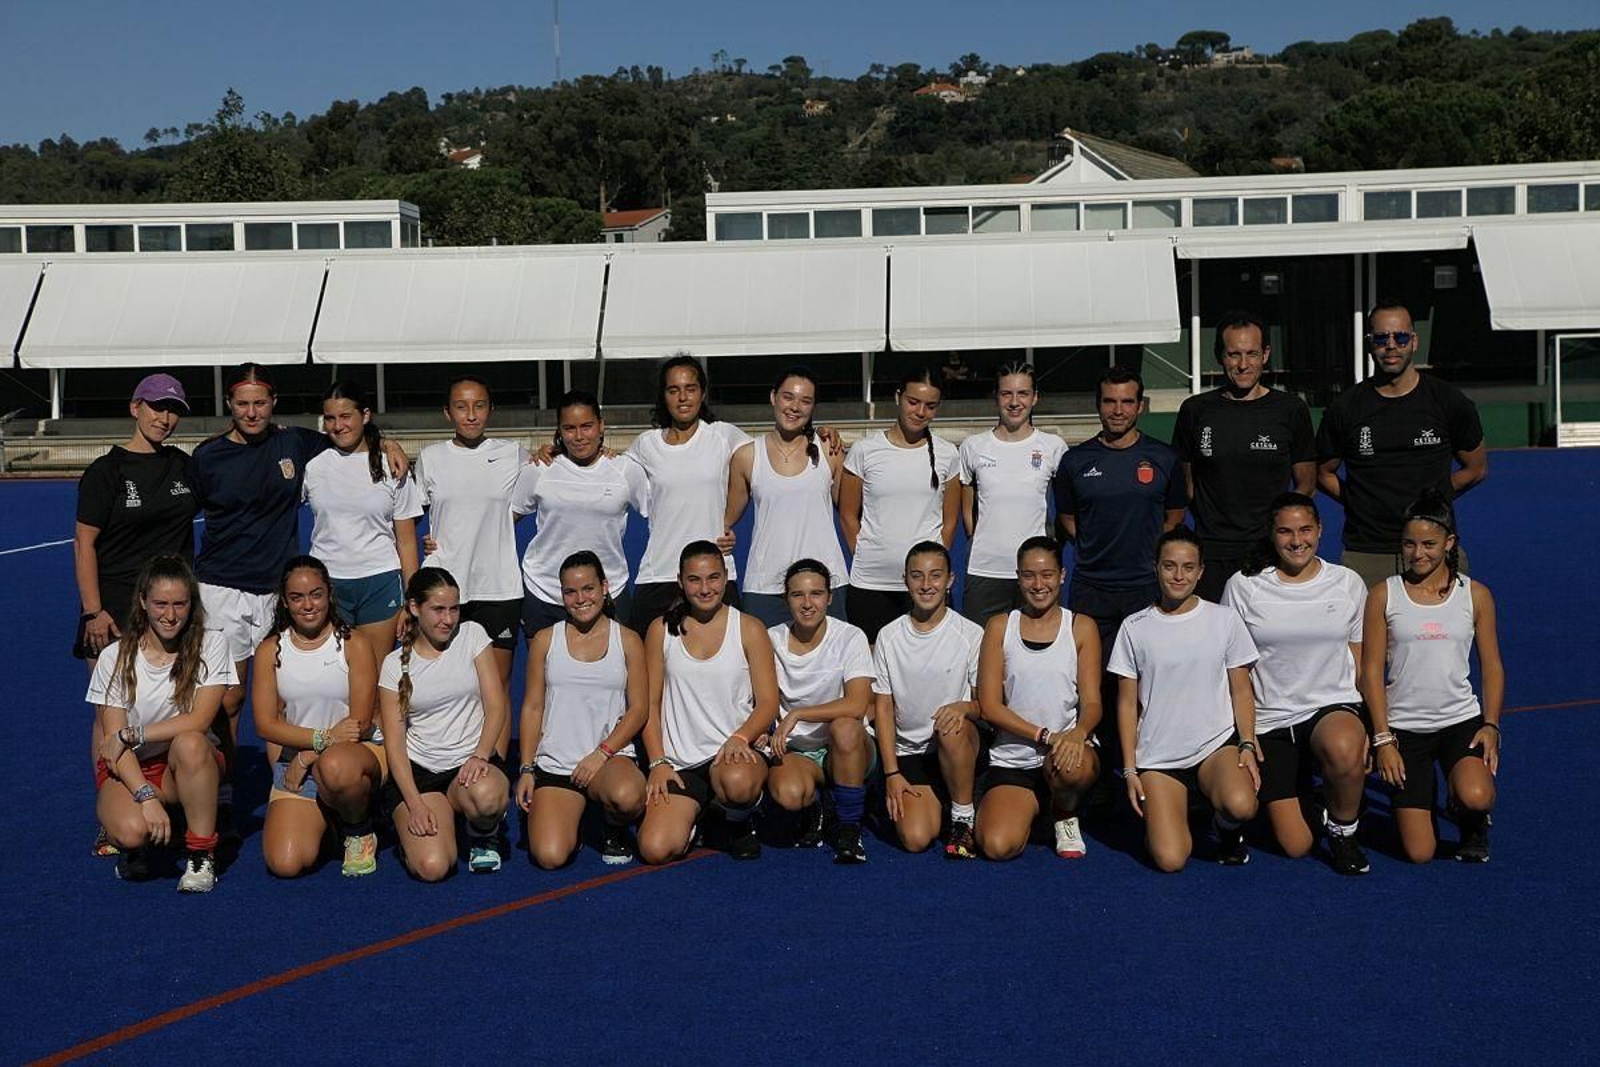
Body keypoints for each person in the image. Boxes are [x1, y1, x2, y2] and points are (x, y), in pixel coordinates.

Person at [190, 363, 404, 828]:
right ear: (230, 404)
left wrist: (386, 441)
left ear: (273, 405)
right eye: (242, 403)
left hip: (276, 590)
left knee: (292, 687)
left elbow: (348, 436)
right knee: (228, 697)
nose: (251, 411)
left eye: (260, 403)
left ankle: (333, 780)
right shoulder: (207, 457)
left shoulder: (296, 443)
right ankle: (227, 785)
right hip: (222, 587)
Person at [74, 373, 197, 857]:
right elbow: (85, 542)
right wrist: (92, 611)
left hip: (172, 612)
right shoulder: (106, 472)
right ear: (134, 408)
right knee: (109, 716)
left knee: (180, 702)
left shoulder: (183, 468)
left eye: (173, 410)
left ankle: (189, 796)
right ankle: (114, 808)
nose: (164, 418)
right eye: (155, 407)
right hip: (114, 613)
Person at [1222, 493, 1371, 875]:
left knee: (1343, 745)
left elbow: (1359, 660)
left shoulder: (1347, 582)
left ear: (1320, 531)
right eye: (1285, 531)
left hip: (1331, 708)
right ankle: (1317, 797)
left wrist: (1367, 729)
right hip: (1272, 719)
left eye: (1305, 529)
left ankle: (1343, 831)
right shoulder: (1244, 585)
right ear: (1272, 535)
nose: (1296, 540)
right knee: (1296, 844)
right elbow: (1231, 666)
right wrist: (1244, 736)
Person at [1055, 365, 1186, 777]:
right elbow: (1068, 519)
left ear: (1141, 406)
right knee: (1097, 689)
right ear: (1098, 405)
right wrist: (1097, 547)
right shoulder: (1075, 461)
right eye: (1109, 401)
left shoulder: (1163, 458)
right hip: (1092, 590)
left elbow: (1174, 517)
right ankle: (1103, 773)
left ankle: (1152, 767)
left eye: (1127, 401)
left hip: (1146, 589)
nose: (1118, 410)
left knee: (1150, 685)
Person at [1361, 492, 1503, 864]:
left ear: (1450, 543)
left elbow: (1492, 666)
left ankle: (1472, 818)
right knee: (1420, 852)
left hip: (1460, 723)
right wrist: (1382, 739)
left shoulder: (1475, 595)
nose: (1418, 553)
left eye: (1429, 544)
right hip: (1405, 729)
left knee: (1477, 794)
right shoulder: (1383, 595)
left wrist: (1491, 725)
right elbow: (1371, 671)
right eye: (1409, 543)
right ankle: (1422, 794)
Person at [1109, 527, 1260, 872]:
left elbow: (1241, 689)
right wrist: (1130, 768)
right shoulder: (1134, 627)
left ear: (1201, 571)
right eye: (1170, 566)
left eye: (1188, 567)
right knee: (1171, 859)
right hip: (1159, 758)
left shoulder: (1224, 619)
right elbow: (1127, 705)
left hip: (1214, 747)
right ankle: (1164, 820)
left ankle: (1225, 828)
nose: (1179, 576)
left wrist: (1248, 743)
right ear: (1156, 568)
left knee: (1241, 805)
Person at [1317, 300, 1488, 589]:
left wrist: (1435, 500)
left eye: (1400, 337)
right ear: (1370, 343)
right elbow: (1323, 472)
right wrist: (1360, 502)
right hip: (1367, 552)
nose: (1391, 345)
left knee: (1441, 634)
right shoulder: (1345, 408)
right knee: (1368, 635)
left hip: (1434, 547)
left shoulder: (1448, 401)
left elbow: (1476, 468)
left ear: (1414, 341)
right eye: (1382, 338)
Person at [89, 554, 231, 892]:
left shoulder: (212, 644)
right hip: (129, 768)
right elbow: (114, 746)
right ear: (142, 602)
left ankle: (200, 853)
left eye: (180, 604)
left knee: (192, 741)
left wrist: (134, 733)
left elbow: (199, 720)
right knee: (131, 831)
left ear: (192, 603)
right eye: (161, 604)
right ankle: (144, 834)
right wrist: (145, 797)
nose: (170, 615)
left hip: (181, 765)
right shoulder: (114, 657)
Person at [637, 541, 780, 864]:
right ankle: (704, 815)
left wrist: (741, 737)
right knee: (655, 849)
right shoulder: (660, 631)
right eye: (695, 580)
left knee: (738, 784)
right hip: (681, 763)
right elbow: (651, 705)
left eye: (713, 578)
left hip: (734, 755)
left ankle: (738, 822)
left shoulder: (748, 628)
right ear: (680, 581)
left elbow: (768, 702)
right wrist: (658, 762)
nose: (705, 589)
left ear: (726, 576)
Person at [251, 556, 384, 878]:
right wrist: (317, 744)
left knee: (336, 767)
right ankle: (328, 820)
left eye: (316, 594)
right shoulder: (270, 650)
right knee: (285, 863)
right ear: (285, 601)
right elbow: (265, 724)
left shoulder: (354, 643)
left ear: (329, 595)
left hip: (353, 756)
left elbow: (360, 723)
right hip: (298, 759)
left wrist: (308, 755)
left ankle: (358, 827)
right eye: (297, 597)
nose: (308, 605)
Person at [515, 551, 649, 869]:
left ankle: (611, 825)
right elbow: (532, 707)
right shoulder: (545, 641)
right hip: (557, 766)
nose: (580, 599)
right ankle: (573, 818)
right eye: (570, 591)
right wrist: (526, 768)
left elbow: (639, 709)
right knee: (549, 856)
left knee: (627, 796)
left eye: (588, 588)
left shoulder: (628, 640)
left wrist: (601, 753)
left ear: (604, 587)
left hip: (608, 760)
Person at [378, 568, 512, 880]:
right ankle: (414, 832)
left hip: (469, 766)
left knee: (489, 796)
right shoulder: (393, 665)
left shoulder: (473, 635)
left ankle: (482, 833)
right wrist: (414, 804)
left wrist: (480, 754)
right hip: (421, 775)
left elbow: (496, 705)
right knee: (433, 868)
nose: (448, 620)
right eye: (438, 609)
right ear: (414, 608)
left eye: (454, 609)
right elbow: (395, 744)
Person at [1172, 311, 1316, 601]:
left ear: (1265, 354)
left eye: (1251, 354)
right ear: (1220, 356)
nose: (1242, 365)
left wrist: (1280, 535)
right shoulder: (1195, 410)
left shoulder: (1290, 410)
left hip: (1269, 553)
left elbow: (1306, 484)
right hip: (1213, 553)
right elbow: (1186, 483)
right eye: (1233, 354)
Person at [974, 537, 1102, 861]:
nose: (1038, 584)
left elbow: (1092, 702)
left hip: (1066, 756)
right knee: (996, 845)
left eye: (1046, 575)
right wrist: (1045, 736)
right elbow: (989, 706)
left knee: (1073, 771)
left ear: (1062, 575)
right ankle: (1033, 808)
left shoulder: (1081, 627)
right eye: (1029, 575)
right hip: (1014, 758)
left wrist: (1077, 734)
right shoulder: (1000, 626)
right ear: (1018, 577)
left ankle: (1063, 812)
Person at [872, 541, 984, 859]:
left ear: (950, 580)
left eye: (935, 576)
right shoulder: (888, 636)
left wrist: (963, 708)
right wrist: (892, 773)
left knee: (951, 727)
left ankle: (962, 816)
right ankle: (941, 801)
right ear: (905, 580)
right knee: (916, 839)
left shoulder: (971, 634)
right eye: (917, 576)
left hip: (959, 745)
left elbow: (984, 706)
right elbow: (883, 705)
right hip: (911, 754)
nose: (926, 585)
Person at [415, 376, 528, 688]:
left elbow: (534, 495)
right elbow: (408, 516)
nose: (471, 414)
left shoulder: (514, 454)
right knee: (446, 682)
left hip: (499, 589)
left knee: (496, 685)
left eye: (479, 406)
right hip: (446, 587)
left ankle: (492, 741)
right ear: (447, 413)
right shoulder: (431, 458)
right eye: (461, 407)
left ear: (491, 409)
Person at [627, 355, 752, 631]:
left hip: (715, 575)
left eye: (690, 389)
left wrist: (727, 521)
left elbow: (768, 462)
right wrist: (554, 452)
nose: (683, 397)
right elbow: (606, 471)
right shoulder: (645, 445)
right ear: (664, 396)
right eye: (674, 390)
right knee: (650, 671)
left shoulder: (723, 436)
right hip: (658, 574)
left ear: (703, 393)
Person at [303, 380, 421, 671]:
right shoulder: (314, 466)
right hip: (327, 585)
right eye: (330, 418)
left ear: (365, 415)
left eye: (346, 416)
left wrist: (412, 599)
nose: (338, 425)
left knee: (376, 677)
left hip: (380, 583)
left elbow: (406, 541)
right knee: (334, 680)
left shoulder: (392, 466)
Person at [512, 390, 650, 638]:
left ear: (601, 426)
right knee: (543, 674)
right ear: (560, 431)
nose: (578, 436)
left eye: (587, 426)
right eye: (569, 428)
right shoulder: (540, 469)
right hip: (544, 592)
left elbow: (660, 517)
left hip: (610, 593)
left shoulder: (626, 470)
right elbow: (504, 519)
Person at [764, 559, 875, 864]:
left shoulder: (850, 636)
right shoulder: (771, 638)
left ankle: (849, 827)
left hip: (848, 747)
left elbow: (857, 704)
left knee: (845, 726)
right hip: (798, 751)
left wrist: (798, 714)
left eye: (816, 593)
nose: (807, 603)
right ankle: (816, 804)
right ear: (786, 599)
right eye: (798, 595)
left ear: (829, 597)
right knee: (789, 795)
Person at [840, 368, 961, 643]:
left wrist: (932, 567)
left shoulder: (947, 454)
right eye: (913, 402)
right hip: (870, 584)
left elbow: (950, 521)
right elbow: (848, 514)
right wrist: (865, 554)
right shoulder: (864, 450)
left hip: (924, 589)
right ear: (898, 397)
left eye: (930, 406)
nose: (920, 411)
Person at [725, 366, 850, 628]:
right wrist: (722, 537)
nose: (795, 407)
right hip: (765, 587)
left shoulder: (830, 449)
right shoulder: (747, 455)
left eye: (805, 401)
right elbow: (725, 519)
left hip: (826, 585)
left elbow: (852, 511)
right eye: (788, 397)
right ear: (773, 397)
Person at [958, 362, 1068, 623]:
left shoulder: (1053, 447)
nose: (1015, 402)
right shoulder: (973, 447)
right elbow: (966, 509)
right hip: (985, 570)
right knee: (982, 654)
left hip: (1036, 573)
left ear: (1035, 397)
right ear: (996, 397)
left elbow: (1064, 509)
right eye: (1007, 393)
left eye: (1023, 394)